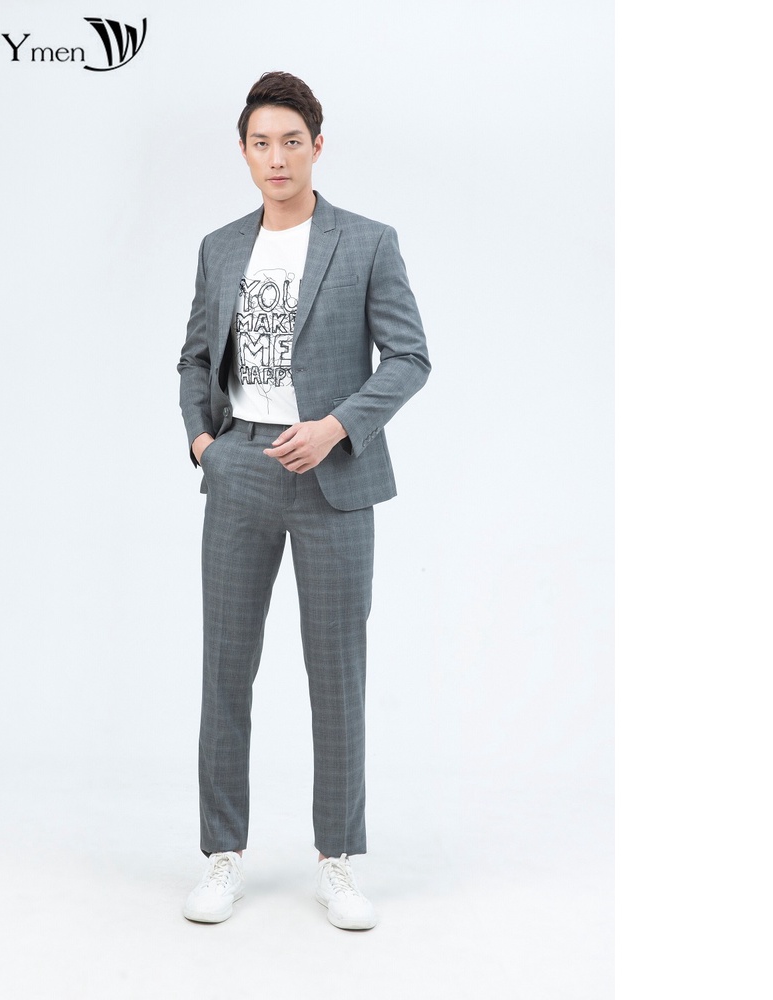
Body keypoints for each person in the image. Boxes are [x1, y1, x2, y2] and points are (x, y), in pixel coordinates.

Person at [177, 70, 430, 930]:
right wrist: (205, 444)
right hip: (240, 468)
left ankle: (338, 860)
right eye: (262, 143)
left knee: (337, 672)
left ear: (317, 146)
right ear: (244, 151)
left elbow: (409, 357)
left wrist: (336, 427)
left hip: (333, 475)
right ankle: (222, 854)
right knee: (226, 669)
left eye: (292, 141)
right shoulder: (220, 248)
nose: (276, 157)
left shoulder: (367, 242)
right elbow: (194, 357)